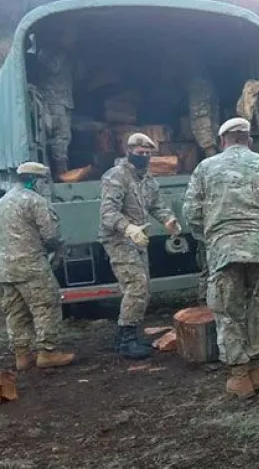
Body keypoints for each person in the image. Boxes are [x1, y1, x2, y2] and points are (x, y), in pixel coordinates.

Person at [184, 117, 259, 398]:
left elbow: (191, 213)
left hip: (225, 250)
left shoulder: (205, 168)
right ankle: (257, 368)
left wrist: (210, 234)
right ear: (248, 139)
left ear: (223, 140)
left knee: (228, 311)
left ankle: (239, 375)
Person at [99, 133, 183, 360]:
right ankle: (127, 340)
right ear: (129, 152)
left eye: (147, 154)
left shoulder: (147, 179)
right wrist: (128, 228)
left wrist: (168, 220)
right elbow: (107, 213)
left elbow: (157, 204)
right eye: (140, 153)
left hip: (138, 239)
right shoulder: (116, 176)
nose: (144, 157)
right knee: (136, 286)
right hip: (119, 239)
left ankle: (126, 336)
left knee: (141, 289)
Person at [0, 162, 75, 370]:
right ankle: (48, 352)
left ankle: (22, 355)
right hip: (31, 265)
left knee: (16, 311)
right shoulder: (35, 201)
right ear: (37, 180)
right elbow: (50, 235)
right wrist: (57, 247)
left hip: (5, 267)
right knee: (46, 306)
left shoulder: (3, 201)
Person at [33, 29, 76, 180]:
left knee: (64, 138)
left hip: (63, 102)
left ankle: (62, 173)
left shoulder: (65, 55)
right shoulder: (48, 52)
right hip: (53, 102)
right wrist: (64, 50)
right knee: (59, 139)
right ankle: (61, 175)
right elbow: (53, 67)